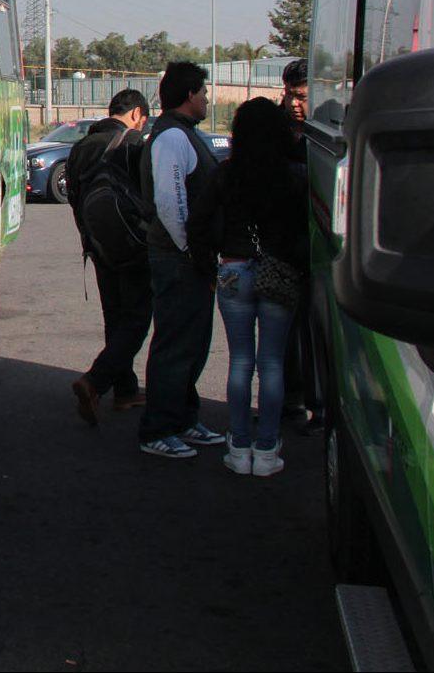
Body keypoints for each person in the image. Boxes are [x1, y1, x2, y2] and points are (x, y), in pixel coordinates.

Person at [194, 97, 308, 476]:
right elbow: (305, 230)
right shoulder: (295, 176)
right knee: (272, 362)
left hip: (232, 270)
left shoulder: (225, 173)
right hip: (279, 271)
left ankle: (239, 446)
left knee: (240, 361)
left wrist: (208, 268)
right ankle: (267, 448)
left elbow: (199, 223)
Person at [137, 61, 227, 459]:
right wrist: (191, 251)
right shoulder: (172, 137)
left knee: (194, 343)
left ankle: (184, 419)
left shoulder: (184, 133)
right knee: (175, 344)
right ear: (189, 95)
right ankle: (157, 429)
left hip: (190, 258)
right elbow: (170, 203)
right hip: (178, 259)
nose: (207, 99)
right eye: (204, 92)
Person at [67, 89, 152, 426]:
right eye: (143, 120)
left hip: (97, 245)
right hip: (132, 247)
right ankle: (96, 381)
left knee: (114, 317)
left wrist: (91, 239)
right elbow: (147, 195)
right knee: (138, 318)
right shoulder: (133, 144)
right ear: (136, 114)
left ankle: (125, 389)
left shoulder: (80, 147)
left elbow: (75, 198)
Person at [276, 58, 323, 433]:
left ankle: (320, 404)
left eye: (302, 97)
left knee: (317, 329)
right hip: (283, 245)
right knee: (285, 330)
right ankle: (290, 401)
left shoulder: (326, 132)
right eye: (291, 95)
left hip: (320, 247)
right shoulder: (276, 131)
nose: (294, 103)